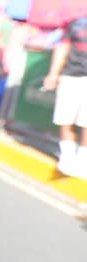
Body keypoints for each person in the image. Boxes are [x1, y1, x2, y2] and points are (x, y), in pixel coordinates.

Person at [41, 14, 87, 177]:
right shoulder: (75, 23)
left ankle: (82, 160)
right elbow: (63, 47)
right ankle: (67, 157)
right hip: (71, 76)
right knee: (65, 119)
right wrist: (53, 74)